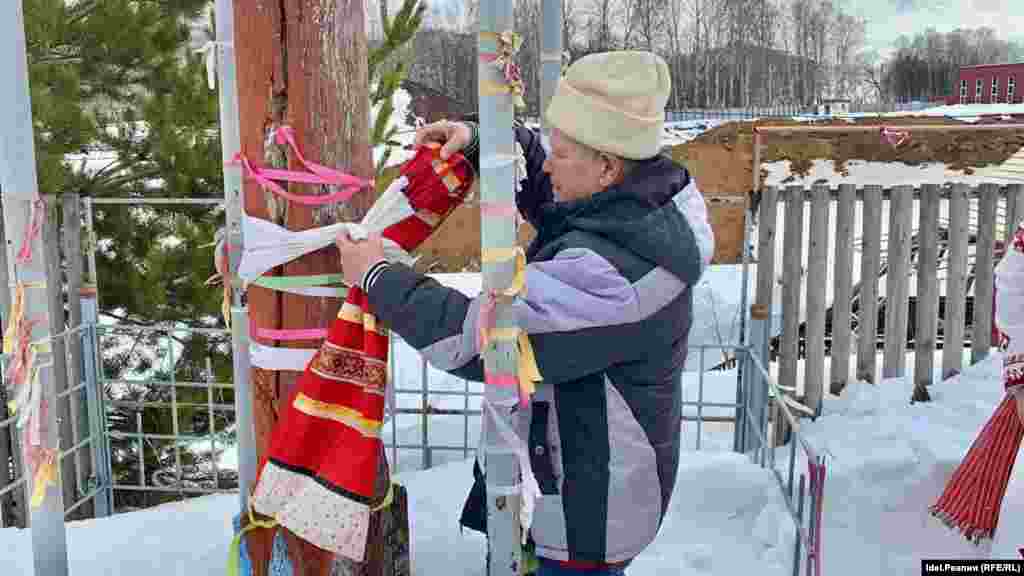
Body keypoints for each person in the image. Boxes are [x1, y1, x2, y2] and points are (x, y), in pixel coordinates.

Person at [336, 50, 714, 574]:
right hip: (580, 474)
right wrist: (486, 137)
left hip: (589, 512)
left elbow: (486, 342)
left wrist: (378, 278)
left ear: (606, 167)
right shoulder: (640, 205)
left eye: (561, 152)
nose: (548, 163)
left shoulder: (612, 273)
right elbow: (555, 191)